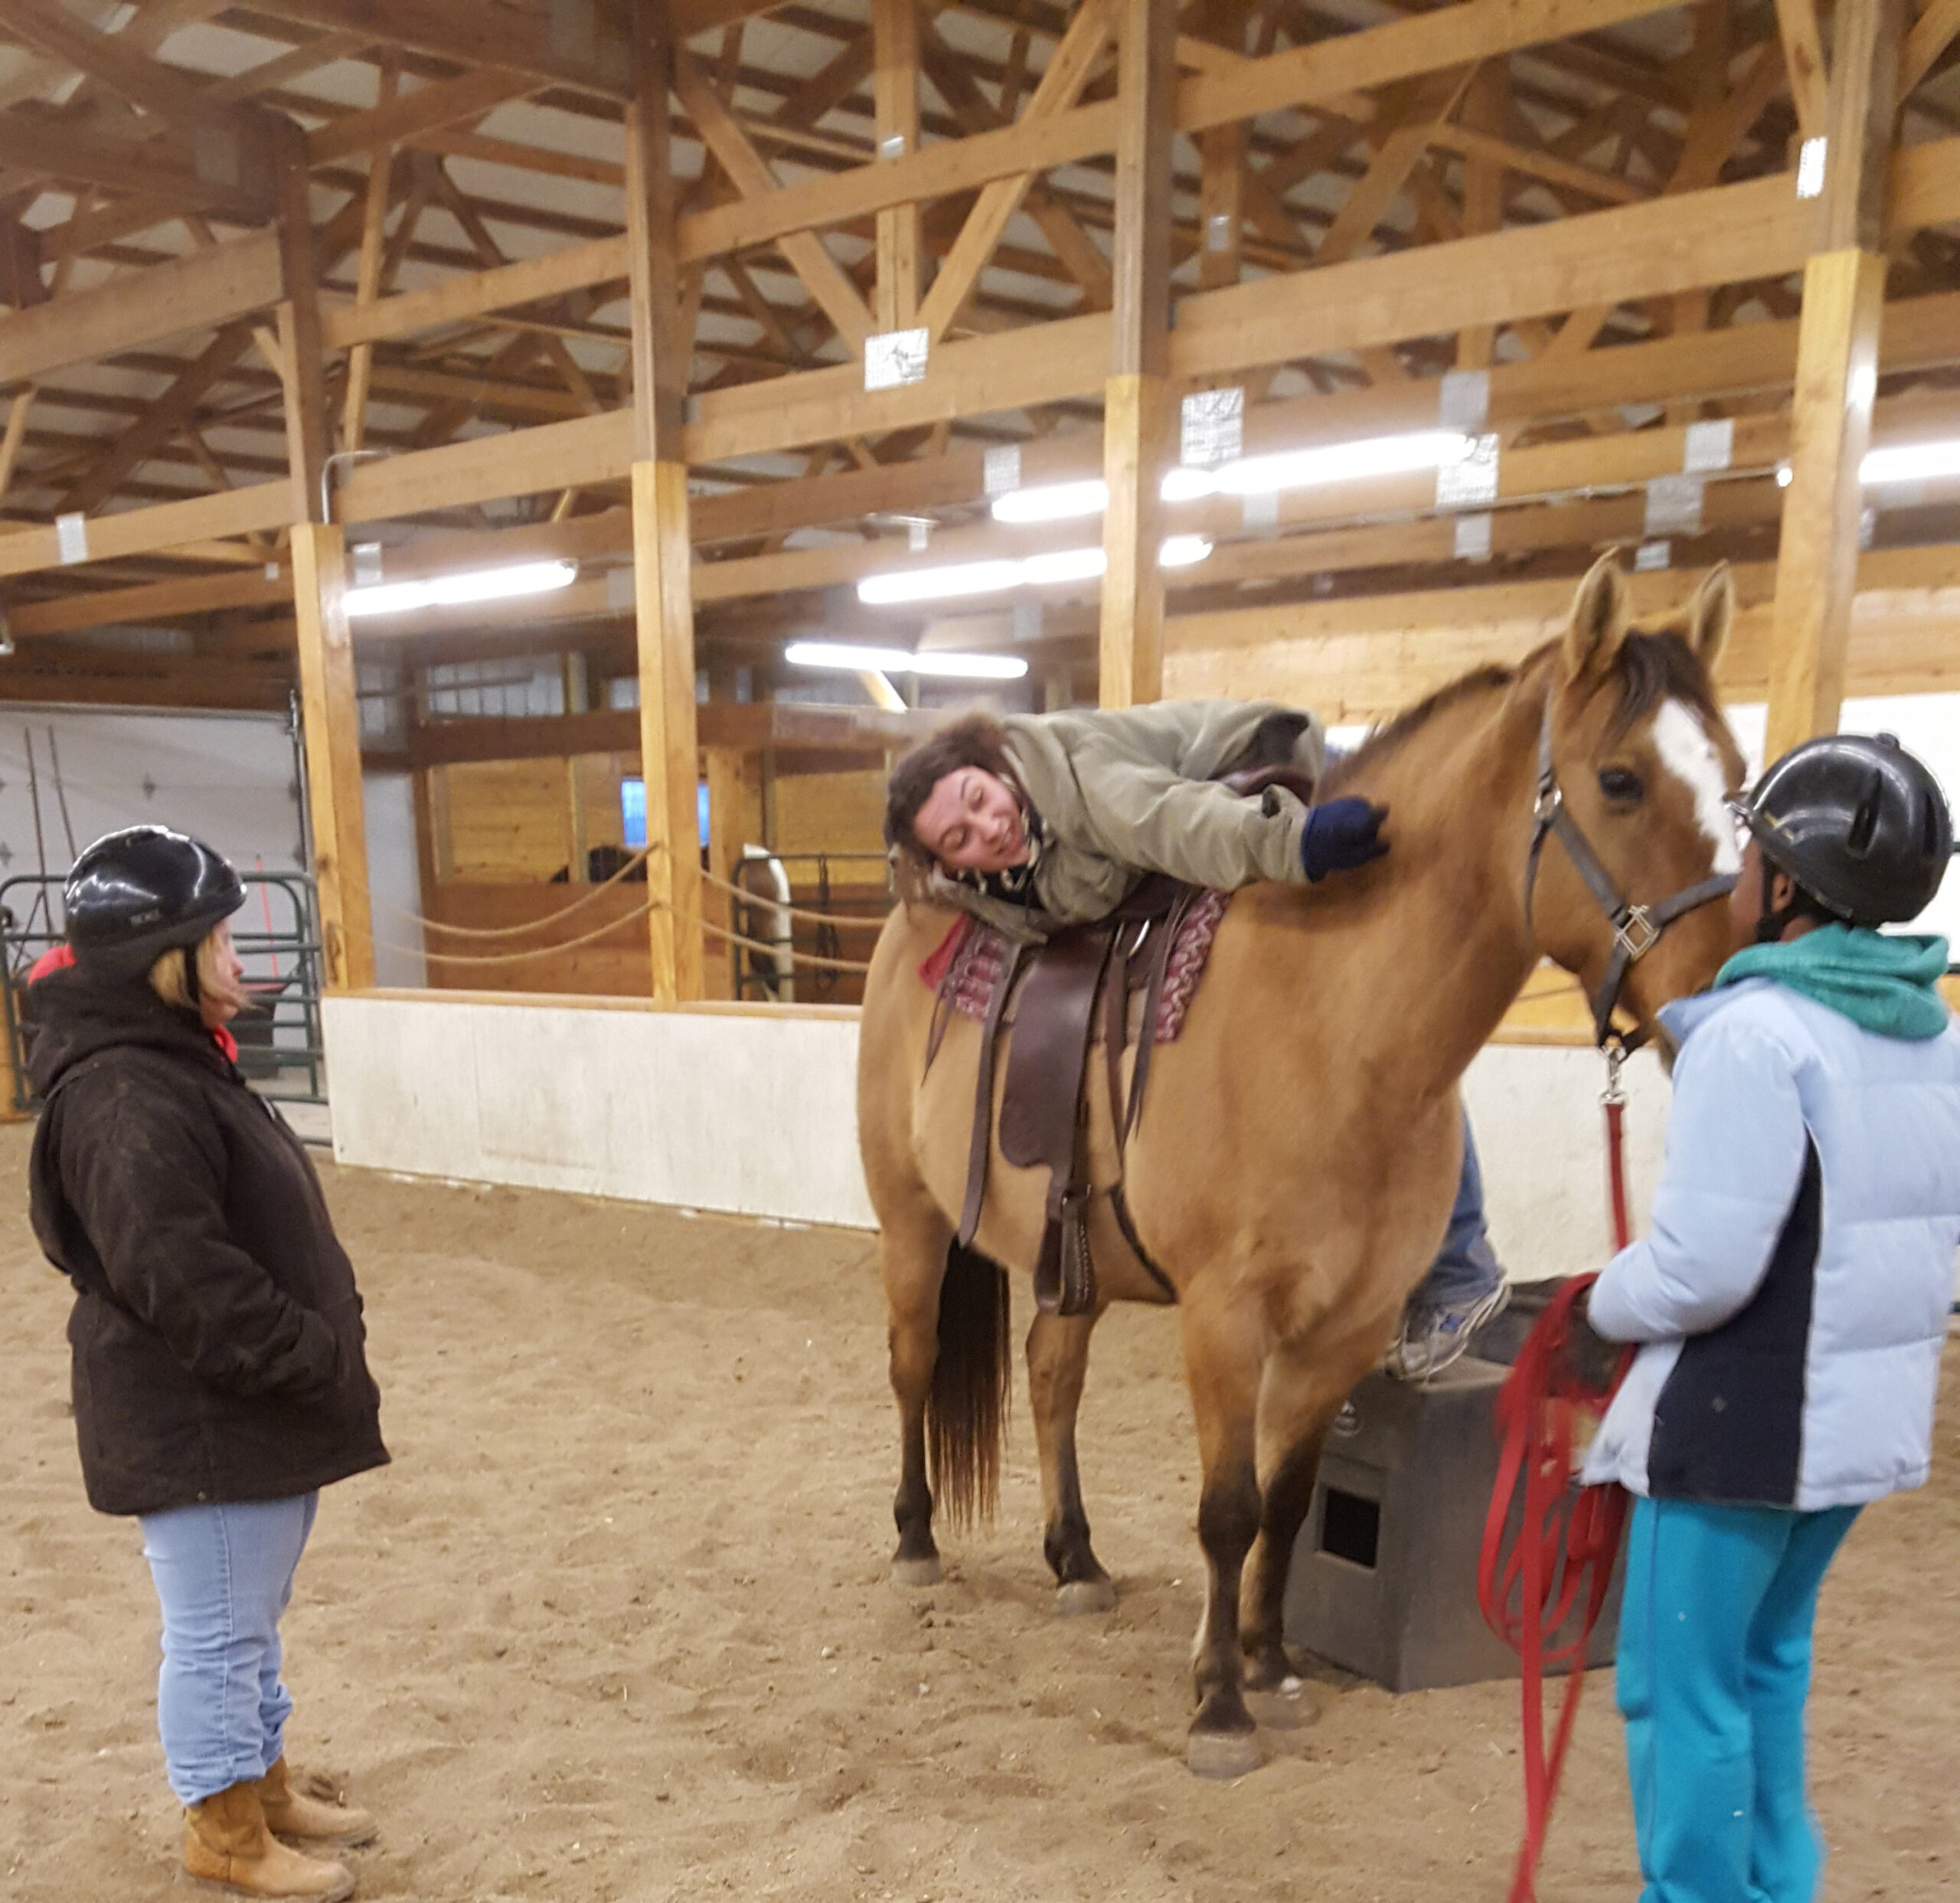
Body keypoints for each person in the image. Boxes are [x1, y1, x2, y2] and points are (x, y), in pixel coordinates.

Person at [1576, 733, 1960, 1903]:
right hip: (1851, 1433)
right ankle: (1778, 1885)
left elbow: (1702, 1269)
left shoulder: (1754, 1035)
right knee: (1766, 1664)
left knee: (1679, 1690)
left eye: (1750, 855)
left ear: (1788, 886)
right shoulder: (1933, 1035)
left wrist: (1599, 1300)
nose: (1737, 871)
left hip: (1736, 1432)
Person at [883, 703, 1509, 1374]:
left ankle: (1460, 1269)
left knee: (1392, 1009)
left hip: (1275, 788)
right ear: (949, 866)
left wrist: (1295, 842)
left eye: (980, 798)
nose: (988, 826)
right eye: (960, 836)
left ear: (998, 769)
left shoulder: (1078, 778)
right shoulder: (986, 882)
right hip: (1209, 813)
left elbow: (1168, 820)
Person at [24, 827, 389, 1902]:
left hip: (240, 1411)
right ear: (163, 961)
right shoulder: (124, 1094)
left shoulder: (172, 1060)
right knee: (219, 1630)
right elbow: (183, 1274)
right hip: (204, 1418)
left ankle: (259, 1782)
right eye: (219, 940)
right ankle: (223, 1826)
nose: (238, 958)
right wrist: (308, 1351)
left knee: (247, 1620)